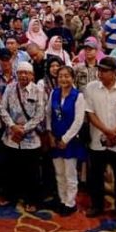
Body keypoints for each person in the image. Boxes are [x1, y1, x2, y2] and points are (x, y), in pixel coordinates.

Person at [84, 57, 116, 221]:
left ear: (114, 72)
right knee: (96, 175)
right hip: (98, 139)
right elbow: (90, 113)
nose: (100, 74)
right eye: (99, 70)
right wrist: (106, 131)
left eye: (105, 71)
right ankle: (97, 205)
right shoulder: (91, 88)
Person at [0, 62, 46, 212]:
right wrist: (12, 126)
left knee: (31, 172)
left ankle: (31, 200)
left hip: (30, 138)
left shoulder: (38, 90)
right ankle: (10, 196)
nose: (23, 75)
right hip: (11, 136)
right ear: (16, 74)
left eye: (27, 73)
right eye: (20, 72)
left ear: (32, 75)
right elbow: (2, 109)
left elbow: (40, 115)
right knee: (10, 169)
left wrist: (23, 129)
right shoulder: (10, 88)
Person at [44, 66, 86, 216]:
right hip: (55, 139)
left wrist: (66, 138)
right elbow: (48, 114)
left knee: (70, 172)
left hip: (70, 141)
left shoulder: (78, 96)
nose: (63, 79)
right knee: (59, 172)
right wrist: (50, 134)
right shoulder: (54, 94)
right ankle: (62, 200)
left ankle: (70, 202)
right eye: (61, 76)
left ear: (72, 78)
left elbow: (79, 120)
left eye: (67, 76)